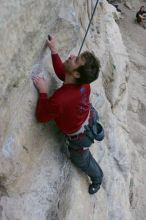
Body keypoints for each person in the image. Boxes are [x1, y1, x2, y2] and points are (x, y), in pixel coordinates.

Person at [32, 36, 104, 195]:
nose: (71, 55)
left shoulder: (60, 99)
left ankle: (98, 178)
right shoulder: (83, 83)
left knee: (80, 159)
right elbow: (63, 74)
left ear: (77, 74)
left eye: (76, 59)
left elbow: (42, 116)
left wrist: (43, 92)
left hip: (81, 137)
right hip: (88, 116)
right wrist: (54, 51)